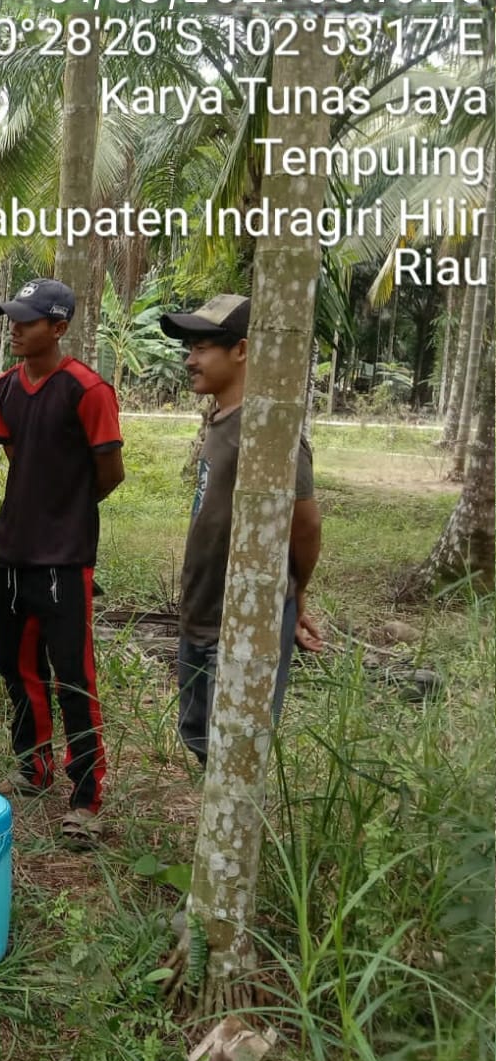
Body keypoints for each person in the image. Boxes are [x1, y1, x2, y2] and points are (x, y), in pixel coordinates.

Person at [0, 278, 124, 848]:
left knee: (74, 676)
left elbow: (109, 472)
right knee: (13, 663)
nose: (15, 329)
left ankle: (87, 795)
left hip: (66, 558)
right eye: (11, 319)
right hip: (12, 550)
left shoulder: (88, 390)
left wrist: (65, 509)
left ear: (59, 327)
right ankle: (33, 765)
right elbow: (20, 456)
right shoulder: (2, 389)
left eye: (28, 320)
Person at [162, 295, 323, 765]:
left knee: (234, 751)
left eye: (203, 347)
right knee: (198, 736)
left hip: (243, 623)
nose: (190, 360)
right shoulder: (220, 421)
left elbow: (306, 522)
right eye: (188, 348)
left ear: (243, 350)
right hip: (202, 610)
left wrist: (295, 592)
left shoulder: (268, 431)